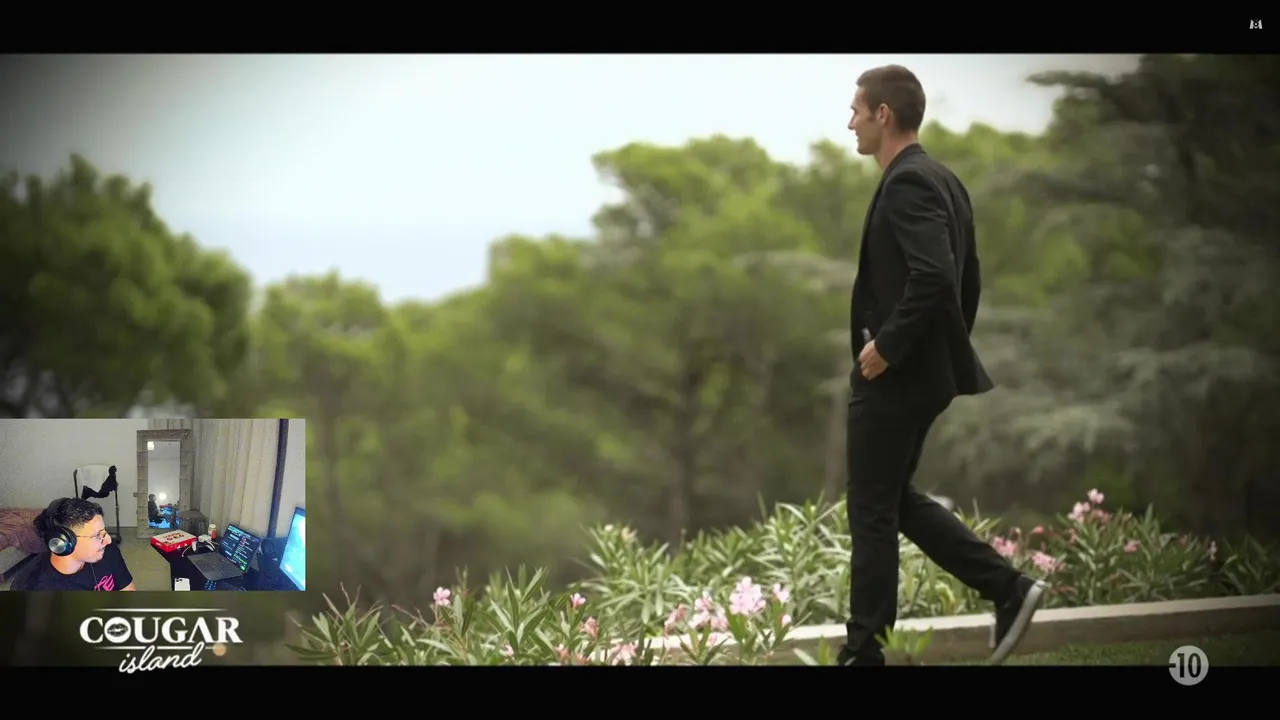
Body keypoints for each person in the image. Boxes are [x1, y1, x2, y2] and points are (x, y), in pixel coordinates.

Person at [841, 64, 1046, 666]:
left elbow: (936, 277)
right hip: (919, 373)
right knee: (889, 500)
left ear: (883, 114)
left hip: (896, 374)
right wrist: (942, 354)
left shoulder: (909, 182)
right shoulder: (944, 179)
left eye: (856, 110)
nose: (849, 122)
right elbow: (967, 281)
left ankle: (864, 653)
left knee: (871, 510)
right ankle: (1008, 588)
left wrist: (890, 348)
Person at [29, 497, 136, 591]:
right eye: (97, 535)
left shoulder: (108, 551)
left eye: (105, 530)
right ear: (63, 542)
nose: (108, 540)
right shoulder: (39, 587)